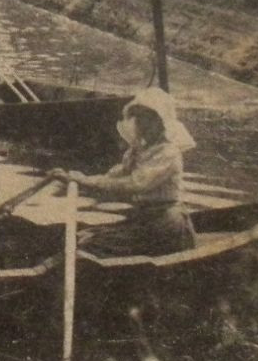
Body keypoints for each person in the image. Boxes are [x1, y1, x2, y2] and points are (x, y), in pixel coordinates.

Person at [50, 87, 197, 255]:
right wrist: (75, 178)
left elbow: (136, 183)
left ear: (160, 122)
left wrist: (84, 181)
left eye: (148, 118)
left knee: (92, 245)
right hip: (146, 218)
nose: (142, 124)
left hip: (166, 222)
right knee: (84, 237)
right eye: (139, 118)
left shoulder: (168, 152)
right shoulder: (138, 150)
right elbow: (113, 176)